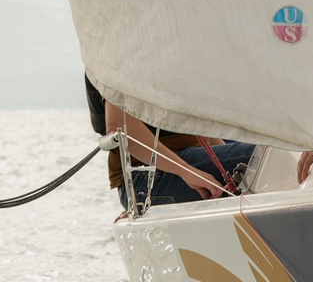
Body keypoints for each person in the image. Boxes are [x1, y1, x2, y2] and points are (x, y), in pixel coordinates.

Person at [85, 77, 246, 206]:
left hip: (177, 167)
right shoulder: (117, 57)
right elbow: (120, 127)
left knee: (257, 158)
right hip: (145, 179)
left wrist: (233, 163)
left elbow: (200, 127)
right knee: (254, 155)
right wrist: (186, 172)